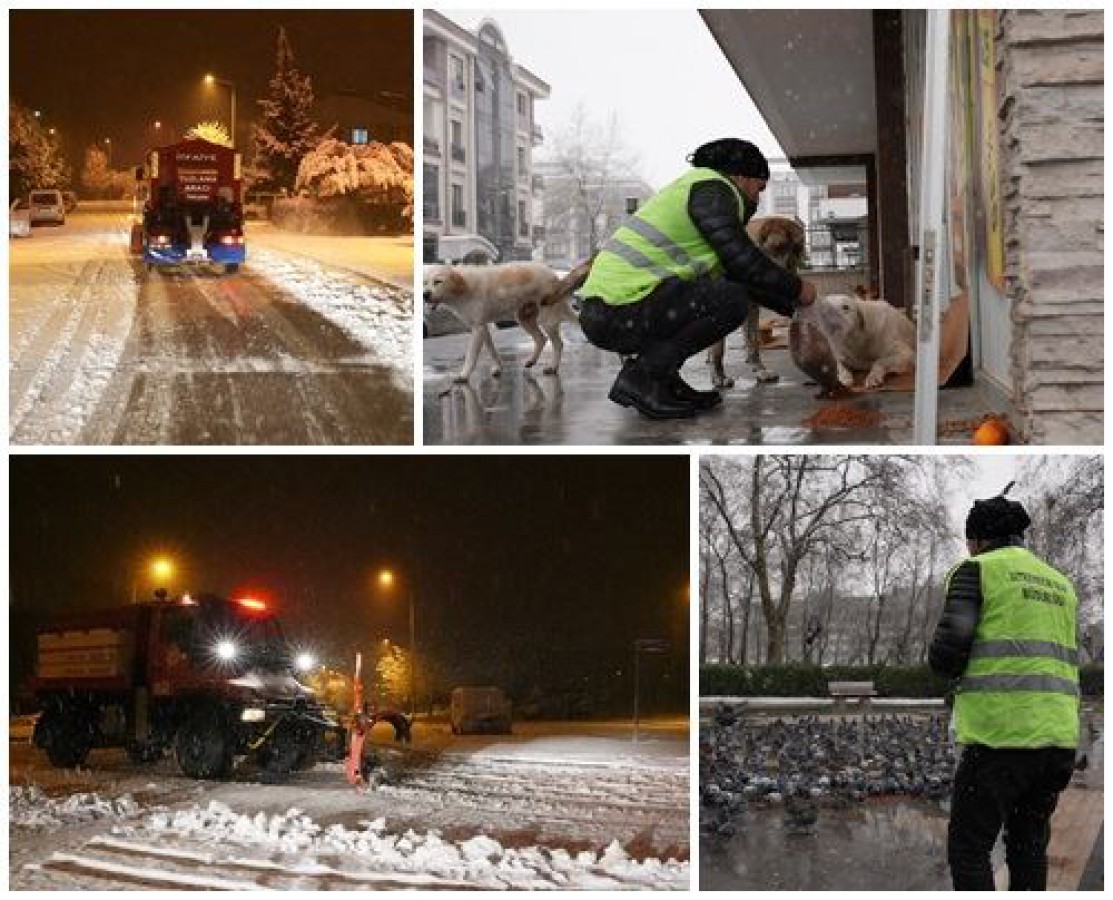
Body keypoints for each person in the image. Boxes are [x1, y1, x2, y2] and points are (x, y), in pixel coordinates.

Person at [578, 137, 818, 419]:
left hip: (612, 309)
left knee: (725, 293)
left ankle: (665, 382)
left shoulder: (698, 190)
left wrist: (795, 308)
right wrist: (799, 289)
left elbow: (738, 274)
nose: (758, 198)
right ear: (741, 177)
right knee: (731, 301)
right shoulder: (713, 190)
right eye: (759, 187)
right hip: (617, 309)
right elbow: (743, 263)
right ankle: (644, 378)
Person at [929, 484, 1080, 891]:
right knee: (1029, 847)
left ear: (978, 539)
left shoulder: (977, 570)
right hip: (1057, 741)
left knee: (969, 848)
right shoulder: (1060, 584)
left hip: (1001, 739)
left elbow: (946, 656)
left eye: (969, 541)